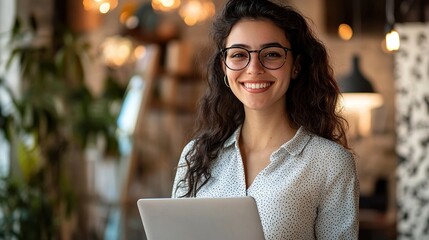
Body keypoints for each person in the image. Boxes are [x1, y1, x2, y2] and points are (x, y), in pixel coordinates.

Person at [171, 0, 359, 239]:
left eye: (271, 54)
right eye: (239, 54)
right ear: (224, 67)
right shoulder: (195, 155)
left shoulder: (330, 163)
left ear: (296, 66)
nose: (254, 68)